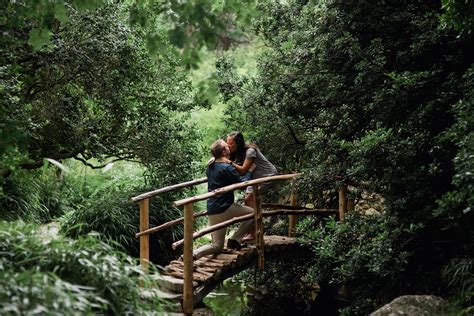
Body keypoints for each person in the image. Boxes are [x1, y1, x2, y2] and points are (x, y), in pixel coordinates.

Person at [192, 139, 255, 260]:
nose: (229, 148)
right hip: (226, 207)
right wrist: (250, 171)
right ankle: (235, 239)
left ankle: (193, 254)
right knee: (253, 213)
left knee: (216, 246)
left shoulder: (210, 166)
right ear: (223, 152)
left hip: (212, 208)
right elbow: (243, 185)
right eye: (227, 146)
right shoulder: (227, 167)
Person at [226, 131, 278, 241]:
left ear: (238, 144)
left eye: (231, 144)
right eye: (227, 143)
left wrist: (228, 162)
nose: (228, 146)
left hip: (267, 175)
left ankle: (254, 232)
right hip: (254, 179)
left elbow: (244, 170)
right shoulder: (237, 153)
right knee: (248, 201)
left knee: (249, 199)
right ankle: (251, 231)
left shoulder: (250, 151)